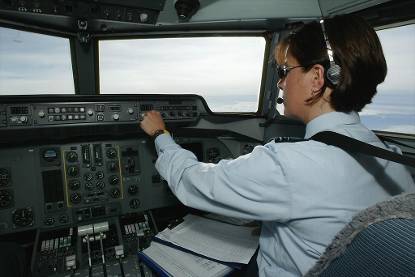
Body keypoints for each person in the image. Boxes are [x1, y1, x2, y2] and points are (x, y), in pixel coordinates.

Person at [139, 14, 415, 277]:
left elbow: (191, 181)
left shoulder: (288, 165)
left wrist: (160, 134)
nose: (281, 83)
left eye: (285, 71)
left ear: (318, 78)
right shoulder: (394, 160)